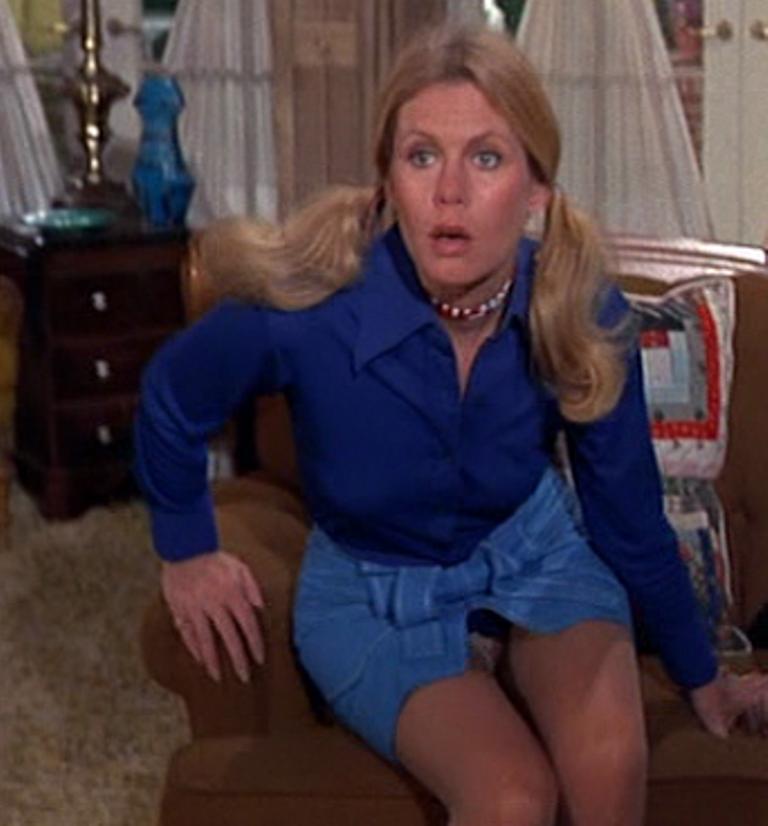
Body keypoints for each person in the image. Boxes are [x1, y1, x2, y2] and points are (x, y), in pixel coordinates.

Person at [134, 24, 768, 826]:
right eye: (422, 156)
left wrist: (701, 674)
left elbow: (628, 517)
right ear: (387, 180)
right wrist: (186, 548)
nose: (450, 192)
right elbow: (172, 397)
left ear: (536, 191)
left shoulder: (579, 309)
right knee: (511, 799)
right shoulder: (312, 308)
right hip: (373, 587)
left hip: (533, 552)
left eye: (488, 158)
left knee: (609, 763)